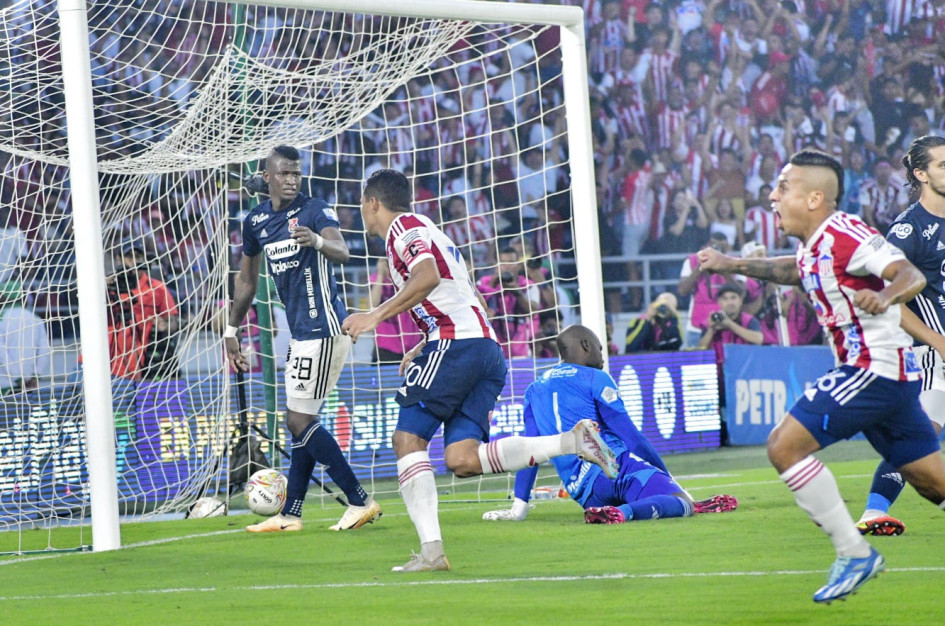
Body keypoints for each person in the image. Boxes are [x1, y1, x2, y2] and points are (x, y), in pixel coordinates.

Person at [698, 149, 945, 604]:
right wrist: (731, 263)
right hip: (889, 377)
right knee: (934, 485)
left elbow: (908, 274)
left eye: (783, 187)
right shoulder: (815, 245)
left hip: (872, 370)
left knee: (783, 446)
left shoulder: (847, 232)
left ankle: (853, 553)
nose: (773, 197)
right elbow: (791, 270)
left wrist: (886, 296)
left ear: (814, 198)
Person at [341, 169, 619, 573]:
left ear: (373, 203)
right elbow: (471, 299)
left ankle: (432, 553)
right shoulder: (433, 232)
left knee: (407, 439)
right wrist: (426, 340)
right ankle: (570, 441)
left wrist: (374, 316)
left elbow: (427, 276)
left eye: (362, 205)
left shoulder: (403, 227)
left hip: (457, 344)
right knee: (462, 459)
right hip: (485, 348)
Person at [226, 145, 382, 534]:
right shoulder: (257, 221)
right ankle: (290, 514)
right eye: (284, 173)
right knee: (301, 420)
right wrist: (231, 330)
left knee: (297, 420)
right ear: (268, 177)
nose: (292, 180)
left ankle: (360, 500)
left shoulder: (315, 210)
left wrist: (317, 241)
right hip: (301, 334)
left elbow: (342, 251)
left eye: (296, 173)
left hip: (325, 328)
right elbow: (246, 280)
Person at [482, 325, 737, 524]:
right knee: (681, 502)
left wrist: (520, 506)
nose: (602, 356)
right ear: (585, 345)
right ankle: (625, 513)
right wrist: (667, 478)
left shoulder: (533, 390)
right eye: (599, 348)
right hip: (616, 465)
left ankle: (612, 511)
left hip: (585, 492)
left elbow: (529, 452)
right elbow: (632, 438)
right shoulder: (595, 377)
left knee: (647, 498)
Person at [856, 135, 945, 536]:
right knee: (921, 436)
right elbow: (890, 299)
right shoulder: (910, 229)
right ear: (922, 175)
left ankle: (875, 510)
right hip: (934, 354)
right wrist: (938, 342)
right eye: (942, 165)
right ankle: (875, 510)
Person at [106, 240, 180, 381]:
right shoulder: (108, 286)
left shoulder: (157, 288)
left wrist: (163, 325)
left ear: (145, 259)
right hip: (99, 363)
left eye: (138, 256)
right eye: (129, 257)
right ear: (119, 259)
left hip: (133, 368)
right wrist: (102, 286)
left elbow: (173, 323)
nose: (134, 261)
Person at [0, 280, 50, 395]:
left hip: (5, 384)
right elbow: (44, 350)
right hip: (30, 384)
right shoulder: (34, 317)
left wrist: (18, 378)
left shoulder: (2, 319)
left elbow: (1, 353)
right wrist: (36, 375)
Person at [696, 282, 764, 355]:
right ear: (719, 302)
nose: (729, 302)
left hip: (743, 360)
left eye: (733, 298)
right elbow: (701, 349)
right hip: (719, 360)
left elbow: (758, 340)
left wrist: (729, 324)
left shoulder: (749, 320)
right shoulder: (712, 320)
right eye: (725, 299)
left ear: (740, 301)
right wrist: (711, 329)